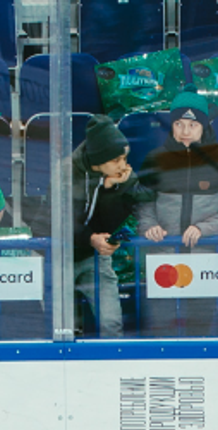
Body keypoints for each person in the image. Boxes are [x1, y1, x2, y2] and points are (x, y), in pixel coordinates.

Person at [135, 91, 218, 337]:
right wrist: (149, 225)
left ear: (204, 126)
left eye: (193, 125)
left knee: (200, 329)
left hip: (206, 260)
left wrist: (205, 228)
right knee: (161, 330)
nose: (185, 131)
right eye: (179, 124)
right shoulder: (155, 159)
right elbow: (142, 202)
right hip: (163, 259)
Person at [73, 116, 147, 338]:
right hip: (59, 256)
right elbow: (61, 222)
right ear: (99, 161)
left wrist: (114, 190)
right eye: (116, 160)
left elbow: (130, 215)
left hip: (94, 256)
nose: (123, 166)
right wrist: (91, 238)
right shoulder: (67, 173)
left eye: (125, 158)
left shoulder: (122, 176)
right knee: (64, 327)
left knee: (111, 322)